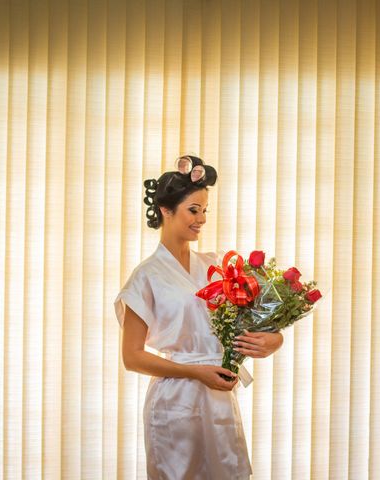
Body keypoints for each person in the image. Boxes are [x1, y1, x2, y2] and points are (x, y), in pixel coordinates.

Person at [114, 155, 283, 479]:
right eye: (194, 210)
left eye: (205, 210)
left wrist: (274, 339)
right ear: (166, 210)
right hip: (175, 402)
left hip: (218, 395)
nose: (202, 218)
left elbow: (260, 318)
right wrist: (194, 372)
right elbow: (132, 357)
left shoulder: (216, 265)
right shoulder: (146, 276)